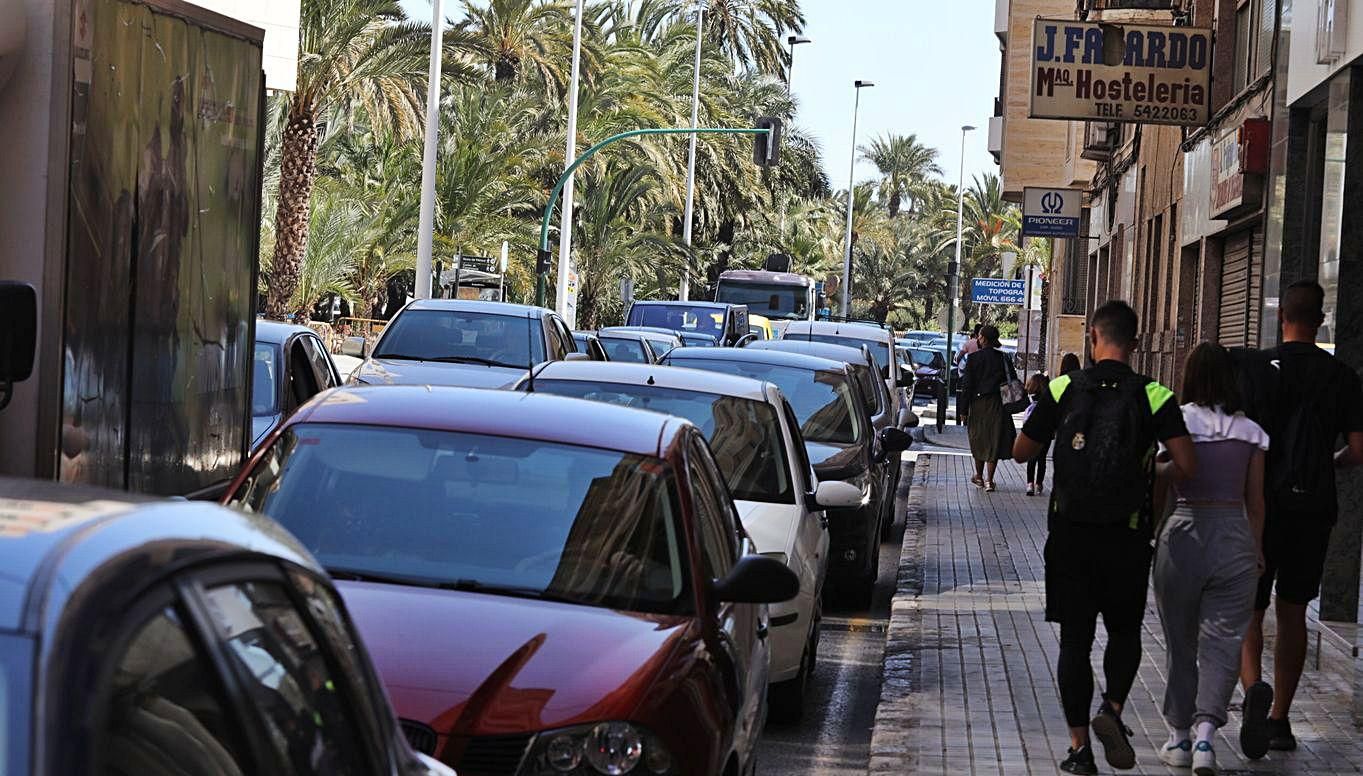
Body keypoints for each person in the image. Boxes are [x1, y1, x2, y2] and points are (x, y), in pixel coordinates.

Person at [1013, 300, 1197, 775]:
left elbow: (1020, 451)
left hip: (1071, 537)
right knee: (1124, 633)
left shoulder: (1061, 387)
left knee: (1075, 641)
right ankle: (1111, 711)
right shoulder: (1155, 395)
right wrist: (1152, 469)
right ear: (1135, 342)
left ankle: (1079, 749)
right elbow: (1187, 465)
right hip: (1127, 538)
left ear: (1092, 338)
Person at [1236, 280, 1363, 756]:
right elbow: (1358, 449)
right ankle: (1280, 718)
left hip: (1260, 508)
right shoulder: (1343, 376)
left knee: (1250, 609)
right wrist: (1327, 466)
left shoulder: (1256, 368)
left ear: (1280, 316)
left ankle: (1252, 691)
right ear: (1322, 320)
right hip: (1314, 509)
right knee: (1293, 612)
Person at [1153, 343, 1268, 775]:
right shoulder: (1253, 433)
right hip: (1234, 537)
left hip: (1182, 534)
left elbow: (1161, 486)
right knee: (1223, 643)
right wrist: (1255, 547)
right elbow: (1255, 502)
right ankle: (1205, 739)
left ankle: (1179, 738)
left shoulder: (1176, 424)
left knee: (1180, 642)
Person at [959, 325, 1013, 492]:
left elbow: (967, 386)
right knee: (993, 440)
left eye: (979, 336)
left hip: (978, 404)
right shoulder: (1003, 358)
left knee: (978, 439)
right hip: (998, 404)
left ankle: (979, 477)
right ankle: (990, 480)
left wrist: (963, 410)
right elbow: (1012, 379)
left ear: (982, 338)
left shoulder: (973, 359)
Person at [1023, 373, 1050, 496]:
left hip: (1032, 431)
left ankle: (1030, 484)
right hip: (1046, 431)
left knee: (1031, 458)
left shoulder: (1029, 398)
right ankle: (1039, 484)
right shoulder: (1048, 398)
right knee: (1042, 458)